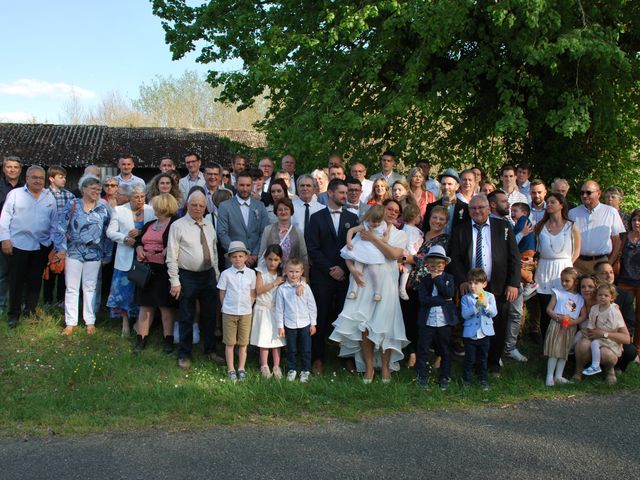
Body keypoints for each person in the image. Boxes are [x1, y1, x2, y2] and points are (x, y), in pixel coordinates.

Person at [330, 199, 408, 383]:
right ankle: (369, 367)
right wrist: (352, 270)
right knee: (364, 325)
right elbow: (352, 251)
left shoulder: (399, 235)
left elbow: (393, 254)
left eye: (396, 211)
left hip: (386, 284)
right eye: (389, 209)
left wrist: (373, 238)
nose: (392, 213)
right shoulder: (364, 227)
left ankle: (386, 368)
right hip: (364, 282)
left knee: (385, 326)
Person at [448, 194, 520, 374]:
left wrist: (513, 283)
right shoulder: (460, 230)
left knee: (497, 324)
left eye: (481, 207)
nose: (477, 211)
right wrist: (462, 280)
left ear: (489, 208)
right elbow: (454, 258)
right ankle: (474, 362)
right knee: (473, 324)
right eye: (473, 208)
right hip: (471, 287)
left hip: (498, 285)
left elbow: (514, 257)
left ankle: (493, 363)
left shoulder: (503, 227)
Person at [305, 179, 359, 374]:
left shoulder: (353, 219)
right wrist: (330, 269)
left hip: (346, 277)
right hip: (323, 277)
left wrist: (344, 269)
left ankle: (347, 357)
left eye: (347, 193)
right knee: (321, 317)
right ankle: (318, 358)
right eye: (342, 193)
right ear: (330, 193)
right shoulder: (316, 217)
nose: (346, 196)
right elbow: (312, 248)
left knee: (346, 317)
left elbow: (356, 247)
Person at [167, 191, 221, 369]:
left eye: (201, 205)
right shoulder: (178, 226)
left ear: (206, 207)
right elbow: (171, 255)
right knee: (187, 315)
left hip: (208, 276)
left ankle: (210, 350)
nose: (198, 208)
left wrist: (217, 274)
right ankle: (184, 353)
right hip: (187, 276)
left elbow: (213, 252)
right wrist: (175, 281)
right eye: (194, 205)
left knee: (209, 315)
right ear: (187, 206)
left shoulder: (209, 225)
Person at [53, 175, 112, 335]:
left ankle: (90, 321)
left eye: (98, 189)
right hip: (73, 252)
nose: (97, 191)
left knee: (90, 287)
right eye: (93, 188)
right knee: (72, 288)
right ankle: (70, 322)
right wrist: (61, 248)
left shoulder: (104, 206)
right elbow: (60, 227)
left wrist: (107, 254)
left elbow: (109, 232)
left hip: (95, 253)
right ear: (83, 189)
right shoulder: (73, 204)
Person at [0, 165, 57, 328]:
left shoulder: (49, 197)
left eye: (41, 178)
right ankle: (14, 314)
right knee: (16, 281)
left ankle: (30, 311)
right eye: (34, 177)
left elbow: (54, 222)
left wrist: (52, 243)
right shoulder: (15, 195)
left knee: (34, 281)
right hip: (18, 244)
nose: (38, 180)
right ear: (27, 178)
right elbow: (5, 218)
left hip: (41, 245)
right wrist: (5, 239)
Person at [401, 205, 450, 367]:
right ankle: (413, 353)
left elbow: (434, 261)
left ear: (446, 222)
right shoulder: (421, 233)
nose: (437, 221)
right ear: (429, 219)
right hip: (413, 284)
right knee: (411, 320)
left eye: (441, 219)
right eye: (434, 218)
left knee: (433, 321)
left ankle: (439, 354)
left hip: (432, 286)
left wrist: (411, 259)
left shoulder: (445, 239)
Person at [106, 184, 155, 336]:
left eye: (142, 196)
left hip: (143, 257)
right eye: (136, 197)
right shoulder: (120, 210)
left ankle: (139, 323)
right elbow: (110, 232)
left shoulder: (150, 210)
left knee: (141, 290)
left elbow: (155, 229)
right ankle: (125, 323)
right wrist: (125, 238)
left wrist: (141, 232)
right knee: (124, 291)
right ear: (129, 197)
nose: (140, 200)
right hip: (125, 256)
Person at [133, 193, 179, 354]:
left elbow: (176, 244)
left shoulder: (175, 224)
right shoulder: (149, 224)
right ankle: (141, 338)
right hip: (146, 269)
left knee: (165, 306)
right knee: (145, 305)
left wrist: (161, 250)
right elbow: (139, 241)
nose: (155, 211)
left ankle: (168, 340)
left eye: (158, 208)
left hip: (164, 271)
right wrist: (140, 249)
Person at [534, 193, 581, 339]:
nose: (548, 205)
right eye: (547, 202)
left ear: (561, 205)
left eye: (552, 202)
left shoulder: (571, 226)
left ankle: (563, 343)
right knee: (545, 307)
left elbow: (577, 250)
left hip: (564, 268)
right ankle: (546, 344)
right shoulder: (540, 226)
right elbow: (536, 250)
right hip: (544, 268)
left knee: (564, 307)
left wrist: (568, 267)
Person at [415, 245, 458, 390]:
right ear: (427, 265)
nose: (435, 268)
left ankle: (444, 377)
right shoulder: (424, 280)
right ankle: (422, 377)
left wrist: (438, 280)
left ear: (444, 265)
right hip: (428, 321)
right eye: (432, 265)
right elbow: (424, 301)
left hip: (444, 321)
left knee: (445, 349)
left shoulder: (449, 278)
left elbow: (449, 294)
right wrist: (442, 300)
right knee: (423, 349)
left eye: (439, 265)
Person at [217, 241, 257, 383]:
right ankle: (230, 369)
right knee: (229, 342)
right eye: (234, 257)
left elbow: (253, 293)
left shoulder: (252, 274)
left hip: (246, 313)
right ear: (230, 258)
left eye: (240, 256)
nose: (238, 259)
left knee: (243, 343)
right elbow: (222, 293)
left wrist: (248, 306)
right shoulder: (225, 274)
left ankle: (241, 368)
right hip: (229, 312)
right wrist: (227, 307)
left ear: (246, 257)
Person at [569, 180, 626, 274]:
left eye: (588, 192)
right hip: (578, 263)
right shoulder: (573, 213)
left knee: (601, 288)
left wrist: (610, 263)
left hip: (602, 262)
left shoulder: (610, 212)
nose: (584, 195)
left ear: (598, 193)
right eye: (582, 192)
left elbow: (617, 241)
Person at [578, 283, 630, 383]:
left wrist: (603, 333)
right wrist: (591, 329)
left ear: (612, 298)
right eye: (600, 295)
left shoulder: (613, 311)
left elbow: (612, 327)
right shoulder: (594, 308)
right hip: (597, 336)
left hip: (609, 340)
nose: (602, 297)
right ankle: (586, 368)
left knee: (595, 344)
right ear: (596, 296)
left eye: (606, 295)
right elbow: (591, 322)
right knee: (590, 342)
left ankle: (599, 367)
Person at [217, 171, 270, 266]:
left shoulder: (260, 206)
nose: (245, 189)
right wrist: (240, 255)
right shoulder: (225, 206)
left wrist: (254, 254)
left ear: (252, 186)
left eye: (248, 185)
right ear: (235, 185)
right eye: (241, 185)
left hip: (257, 262)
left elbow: (264, 232)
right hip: (234, 262)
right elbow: (222, 233)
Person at [543, 267, 585, 386]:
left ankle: (559, 375)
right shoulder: (558, 293)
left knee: (564, 351)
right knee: (554, 350)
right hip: (557, 325)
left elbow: (583, 315)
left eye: (567, 281)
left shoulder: (580, 298)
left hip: (570, 327)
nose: (564, 283)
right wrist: (557, 318)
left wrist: (574, 322)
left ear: (575, 281)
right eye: (562, 281)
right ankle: (549, 375)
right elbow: (549, 309)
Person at [592, 261, 637, 373]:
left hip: (615, 335)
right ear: (596, 276)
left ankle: (618, 367)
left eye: (611, 272)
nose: (609, 275)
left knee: (630, 351)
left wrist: (617, 336)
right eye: (604, 273)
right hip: (595, 335)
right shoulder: (591, 293)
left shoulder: (625, 295)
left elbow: (630, 322)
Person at [251, 244, 287, 379]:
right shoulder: (261, 272)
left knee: (276, 339)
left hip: (275, 310)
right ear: (265, 259)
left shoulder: (282, 274)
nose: (273, 263)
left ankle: (276, 366)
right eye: (270, 259)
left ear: (280, 260)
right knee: (264, 338)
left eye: (276, 260)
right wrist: (274, 283)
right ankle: (264, 365)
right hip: (263, 309)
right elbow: (258, 290)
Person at [341, 205, 390, 302]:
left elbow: (386, 234)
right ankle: (353, 291)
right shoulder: (365, 225)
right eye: (373, 221)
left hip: (374, 251)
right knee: (357, 270)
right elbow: (351, 230)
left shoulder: (383, 225)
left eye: (378, 222)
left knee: (374, 272)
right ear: (369, 217)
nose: (375, 224)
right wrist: (349, 242)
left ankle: (377, 292)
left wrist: (384, 239)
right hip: (361, 250)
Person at [43, 165, 75, 308]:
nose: (64, 179)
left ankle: (61, 299)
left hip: (64, 238)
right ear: (51, 178)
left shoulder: (69, 195)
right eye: (60, 177)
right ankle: (47, 300)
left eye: (65, 177)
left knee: (63, 268)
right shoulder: (43, 194)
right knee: (49, 268)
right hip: (47, 237)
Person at [460, 268, 497, 390]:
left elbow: (494, 313)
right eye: (470, 283)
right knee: (469, 358)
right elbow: (465, 315)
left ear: (484, 284)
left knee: (483, 358)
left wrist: (486, 305)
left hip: (484, 333)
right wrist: (476, 307)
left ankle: (483, 379)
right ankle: (466, 380)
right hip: (471, 334)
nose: (472, 286)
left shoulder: (490, 297)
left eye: (476, 283)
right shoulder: (466, 298)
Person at [0, 155, 24, 315]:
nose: (12, 170)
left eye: (16, 167)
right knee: (2, 273)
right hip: (2, 235)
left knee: (20, 273)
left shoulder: (25, 187)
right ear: (4, 169)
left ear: (20, 170)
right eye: (9, 167)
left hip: (22, 237)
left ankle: (19, 303)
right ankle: (1, 304)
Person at [259, 197, 309, 272]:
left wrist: (306, 277)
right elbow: (261, 254)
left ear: (291, 211)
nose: (283, 212)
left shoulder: (297, 231)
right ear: (276, 212)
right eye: (280, 210)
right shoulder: (268, 230)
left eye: (286, 209)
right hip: (272, 275)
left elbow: (304, 256)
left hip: (292, 275)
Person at [614, 209, 640, 353]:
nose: (636, 223)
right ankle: (622, 344)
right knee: (621, 314)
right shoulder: (624, 237)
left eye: (639, 220)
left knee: (639, 316)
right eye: (634, 220)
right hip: (624, 280)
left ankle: (636, 348)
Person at [423, 169, 469, 235]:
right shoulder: (431, 207)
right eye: (444, 184)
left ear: (457, 186)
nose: (446, 187)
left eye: (450, 184)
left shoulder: (465, 208)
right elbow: (426, 229)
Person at [399, 204, 423, 301]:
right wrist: (413, 255)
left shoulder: (413, 229)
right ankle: (402, 288)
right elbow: (408, 243)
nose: (420, 218)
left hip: (414, 253)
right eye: (418, 216)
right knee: (407, 269)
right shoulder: (408, 229)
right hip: (408, 254)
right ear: (413, 217)